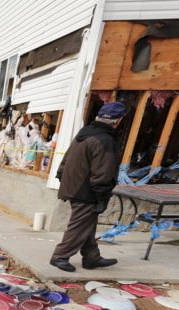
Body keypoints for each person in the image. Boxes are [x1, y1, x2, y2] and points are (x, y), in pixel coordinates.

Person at [50, 101, 127, 272]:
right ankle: (60, 256)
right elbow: (103, 174)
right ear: (118, 121)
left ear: (98, 117)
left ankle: (91, 257)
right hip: (87, 191)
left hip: (74, 186)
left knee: (87, 224)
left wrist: (62, 177)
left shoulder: (83, 134)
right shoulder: (105, 141)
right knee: (79, 225)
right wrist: (103, 197)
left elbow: (66, 159)